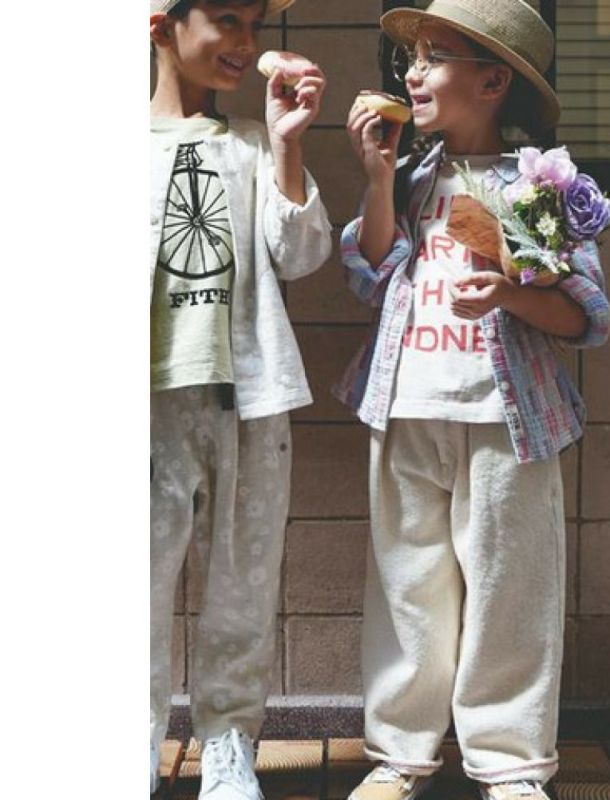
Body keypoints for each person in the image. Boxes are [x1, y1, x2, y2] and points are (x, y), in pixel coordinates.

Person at [335, 2, 610, 799]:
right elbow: (370, 275)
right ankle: (399, 755)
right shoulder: (412, 175)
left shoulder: (541, 183)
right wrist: (378, 177)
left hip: (507, 419)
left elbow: (585, 318)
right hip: (406, 406)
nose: (412, 74)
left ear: (492, 82)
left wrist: (511, 295)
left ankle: (510, 763)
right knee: (407, 589)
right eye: (411, 60)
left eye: (434, 58)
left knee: (509, 592)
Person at [149, 0, 331, 796]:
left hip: (248, 400)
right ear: (160, 25)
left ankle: (227, 743)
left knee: (242, 588)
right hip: (145, 408)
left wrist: (288, 143)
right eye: (226, 18)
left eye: (254, 23)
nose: (246, 41)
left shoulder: (253, 144)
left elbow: (302, 253)